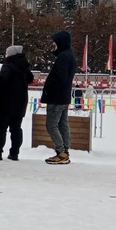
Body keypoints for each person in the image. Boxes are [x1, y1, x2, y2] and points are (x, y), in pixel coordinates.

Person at [0, 45, 34, 161]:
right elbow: (30, 79)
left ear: (11, 54)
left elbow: (1, 79)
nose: (5, 54)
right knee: (16, 128)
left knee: (1, 129)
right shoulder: (24, 66)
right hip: (20, 102)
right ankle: (14, 153)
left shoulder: (8, 65)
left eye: (6, 52)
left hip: (4, 101)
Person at [42, 30, 77, 165]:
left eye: (55, 42)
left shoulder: (63, 56)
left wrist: (49, 88)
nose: (53, 45)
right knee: (62, 124)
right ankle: (65, 151)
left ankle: (61, 152)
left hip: (56, 97)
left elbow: (61, 78)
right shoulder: (70, 55)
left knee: (51, 125)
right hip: (64, 96)